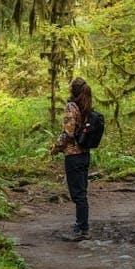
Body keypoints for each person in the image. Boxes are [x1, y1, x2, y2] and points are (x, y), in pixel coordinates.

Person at [49, 77, 92, 241]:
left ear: (73, 89)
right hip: (85, 154)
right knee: (82, 192)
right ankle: (81, 225)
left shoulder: (71, 107)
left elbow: (68, 133)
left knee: (77, 194)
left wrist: (56, 148)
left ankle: (82, 228)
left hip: (73, 156)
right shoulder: (86, 107)